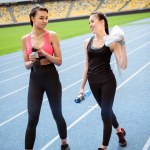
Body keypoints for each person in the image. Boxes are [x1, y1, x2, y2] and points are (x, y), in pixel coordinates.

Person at [21, 5, 70, 150]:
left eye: (46, 18)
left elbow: (59, 61)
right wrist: (31, 60)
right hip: (35, 77)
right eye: (41, 18)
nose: (45, 21)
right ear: (32, 18)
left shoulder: (52, 35)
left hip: (51, 77)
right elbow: (26, 65)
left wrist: (43, 53)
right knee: (32, 119)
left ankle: (64, 143)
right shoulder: (25, 39)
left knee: (57, 114)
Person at [79, 12, 127, 150]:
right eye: (89, 22)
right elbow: (86, 66)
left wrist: (123, 44)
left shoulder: (112, 42)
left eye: (92, 21)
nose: (90, 25)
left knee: (104, 113)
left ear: (102, 22)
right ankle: (119, 132)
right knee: (108, 111)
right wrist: (82, 87)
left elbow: (123, 65)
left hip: (107, 81)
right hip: (93, 83)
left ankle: (103, 147)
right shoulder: (86, 42)